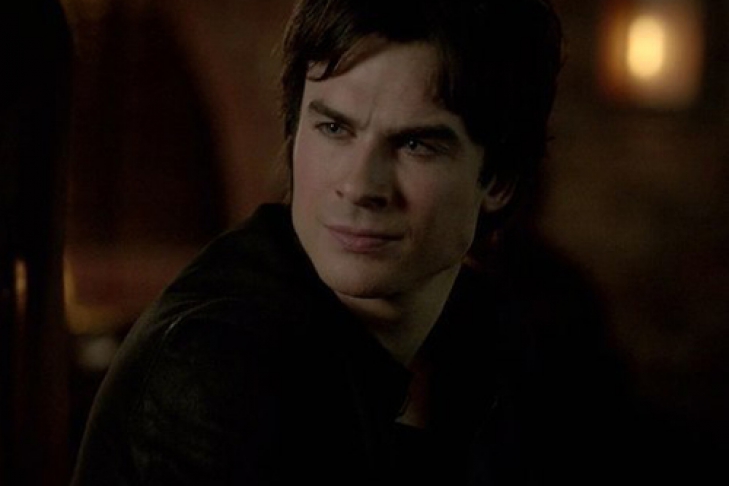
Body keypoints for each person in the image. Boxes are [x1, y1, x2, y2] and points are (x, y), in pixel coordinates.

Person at [72, 0, 628, 484]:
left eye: (415, 144)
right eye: (334, 128)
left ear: (499, 180)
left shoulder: (501, 341)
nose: (361, 187)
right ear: (294, 132)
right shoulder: (213, 366)